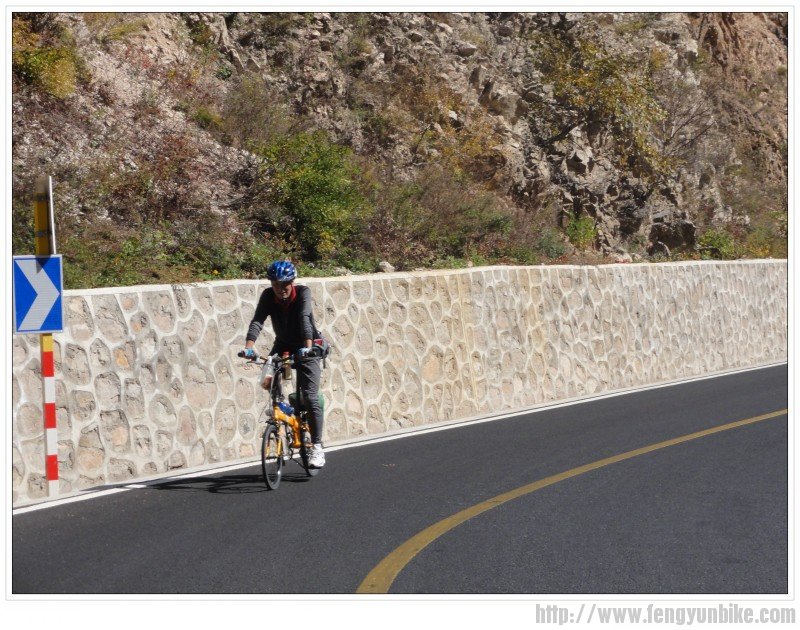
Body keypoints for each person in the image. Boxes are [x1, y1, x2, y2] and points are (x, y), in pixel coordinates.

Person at [242, 260, 326, 468]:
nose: (281, 289)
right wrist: (248, 347)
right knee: (267, 377)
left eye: (285, 284)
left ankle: (317, 446)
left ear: (292, 282)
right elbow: (257, 321)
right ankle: (279, 407)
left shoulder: (303, 293)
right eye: (276, 285)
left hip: (308, 346)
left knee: (310, 396)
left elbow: (305, 319)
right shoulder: (268, 296)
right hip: (283, 345)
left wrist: (308, 347)